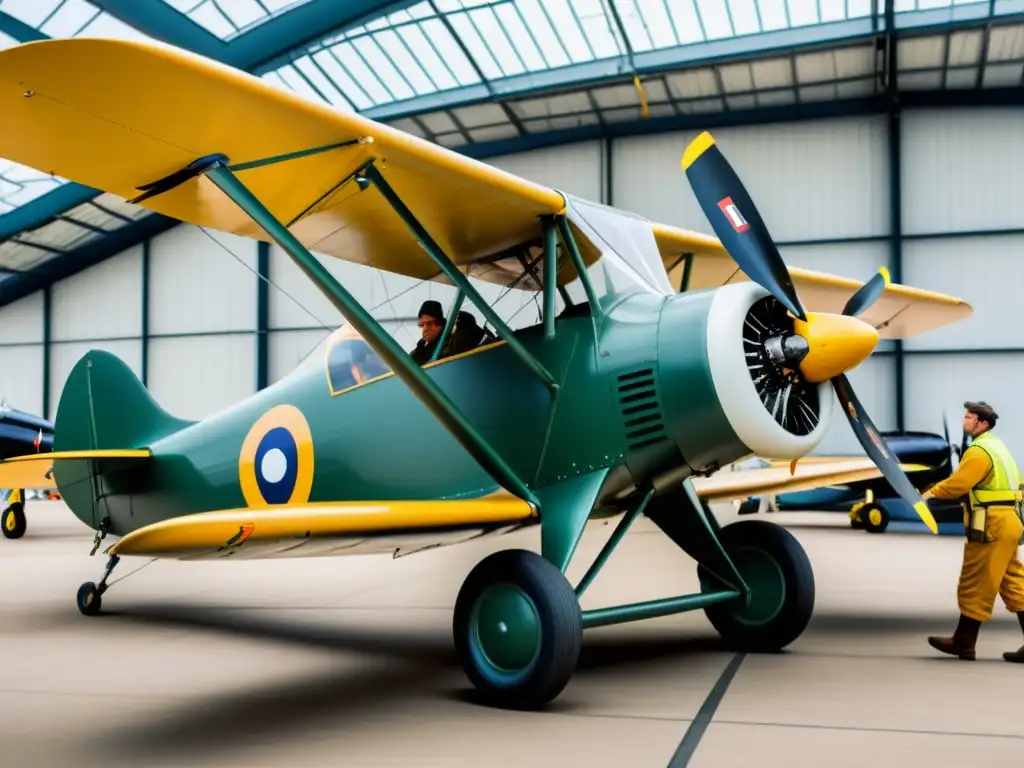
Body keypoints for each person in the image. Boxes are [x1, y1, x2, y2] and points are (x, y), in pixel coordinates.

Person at [923, 401, 1024, 661]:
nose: (964, 421)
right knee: (1013, 582)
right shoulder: (998, 447)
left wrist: (931, 492)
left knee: (976, 580)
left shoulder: (978, 452)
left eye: (969, 417)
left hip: (991, 523)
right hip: (1008, 520)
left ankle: (963, 642)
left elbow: (960, 483)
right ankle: (964, 641)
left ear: (982, 423)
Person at [410, 300, 445, 365]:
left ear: (440, 324)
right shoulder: (421, 349)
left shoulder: (453, 342)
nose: (425, 329)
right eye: (422, 325)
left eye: (430, 324)